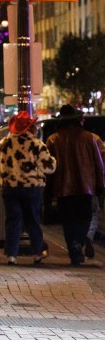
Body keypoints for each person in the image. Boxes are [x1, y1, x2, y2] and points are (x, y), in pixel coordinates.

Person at [0, 111, 56, 265]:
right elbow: (49, 167)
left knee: (13, 220)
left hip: (10, 187)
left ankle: (11, 254)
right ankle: (37, 253)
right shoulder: (36, 145)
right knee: (33, 220)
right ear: (30, 128)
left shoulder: (3, 144)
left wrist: (2, 180)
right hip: (32, 188)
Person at [46, 105, 104, 266]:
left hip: (62, 187)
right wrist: (100, 184)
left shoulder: (53, 139)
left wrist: (48, 190)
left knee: (68, 220)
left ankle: (74, 251)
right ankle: (80, 240)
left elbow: (49, 167)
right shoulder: (88, 138)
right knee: (84, 218)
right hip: (86, 187)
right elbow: (99, 165)